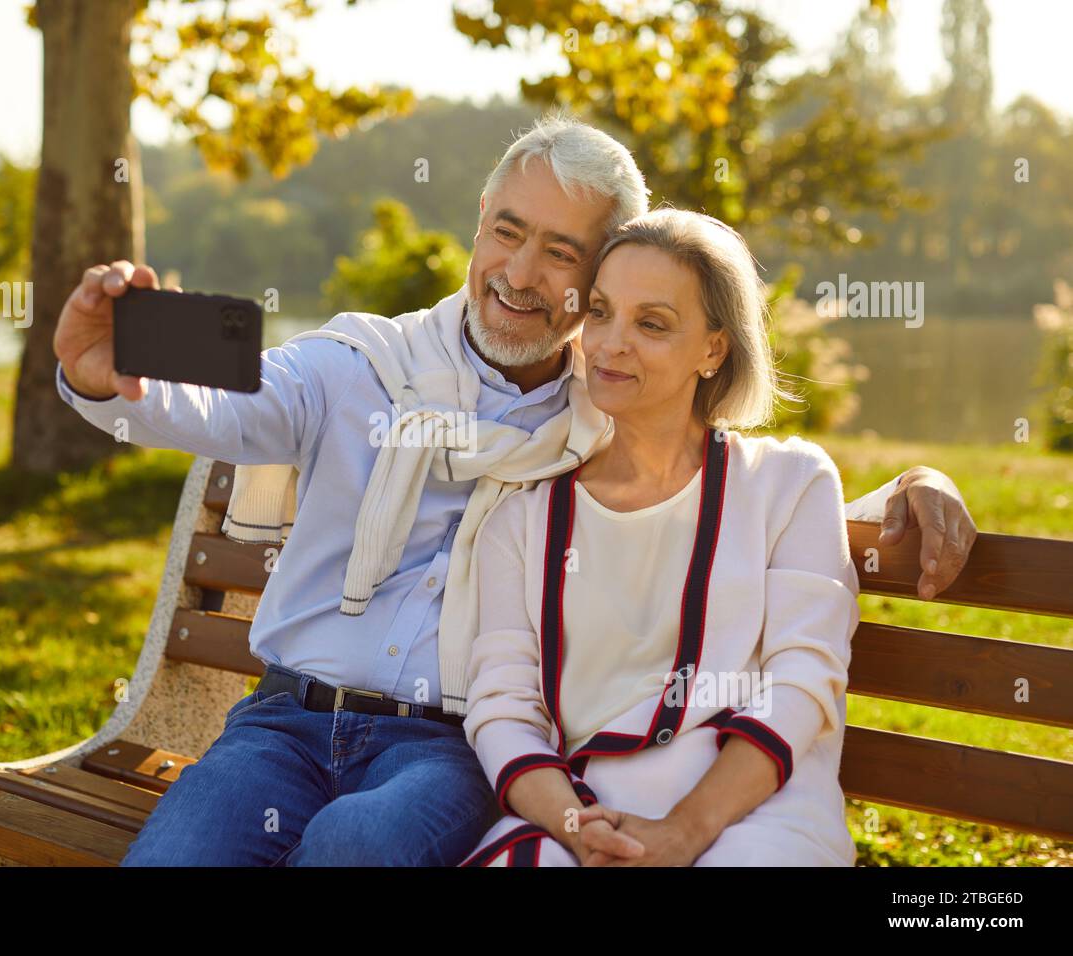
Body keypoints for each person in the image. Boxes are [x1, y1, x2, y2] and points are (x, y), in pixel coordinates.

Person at [52, 113, 977, 866]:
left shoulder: (607, 399)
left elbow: (726, 498)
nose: (521, 275)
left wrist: (911, 485)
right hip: (285, 720)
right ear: (480, 221)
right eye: (507, 231)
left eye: (563, 254)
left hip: (454, 744)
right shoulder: (360, 361)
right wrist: (104, 373)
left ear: (602, 275)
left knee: (357, 846)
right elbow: (219, 404)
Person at [462, 209, 870, 867]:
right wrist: (579, 829)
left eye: (651, 324)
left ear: (713, 349)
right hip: (584, 810)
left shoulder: (789, 484)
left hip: (757, 813)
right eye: (599, 312)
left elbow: (801, 682)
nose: (611, 343)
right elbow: (503, 711)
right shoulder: (522, 521)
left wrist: (683, 832)